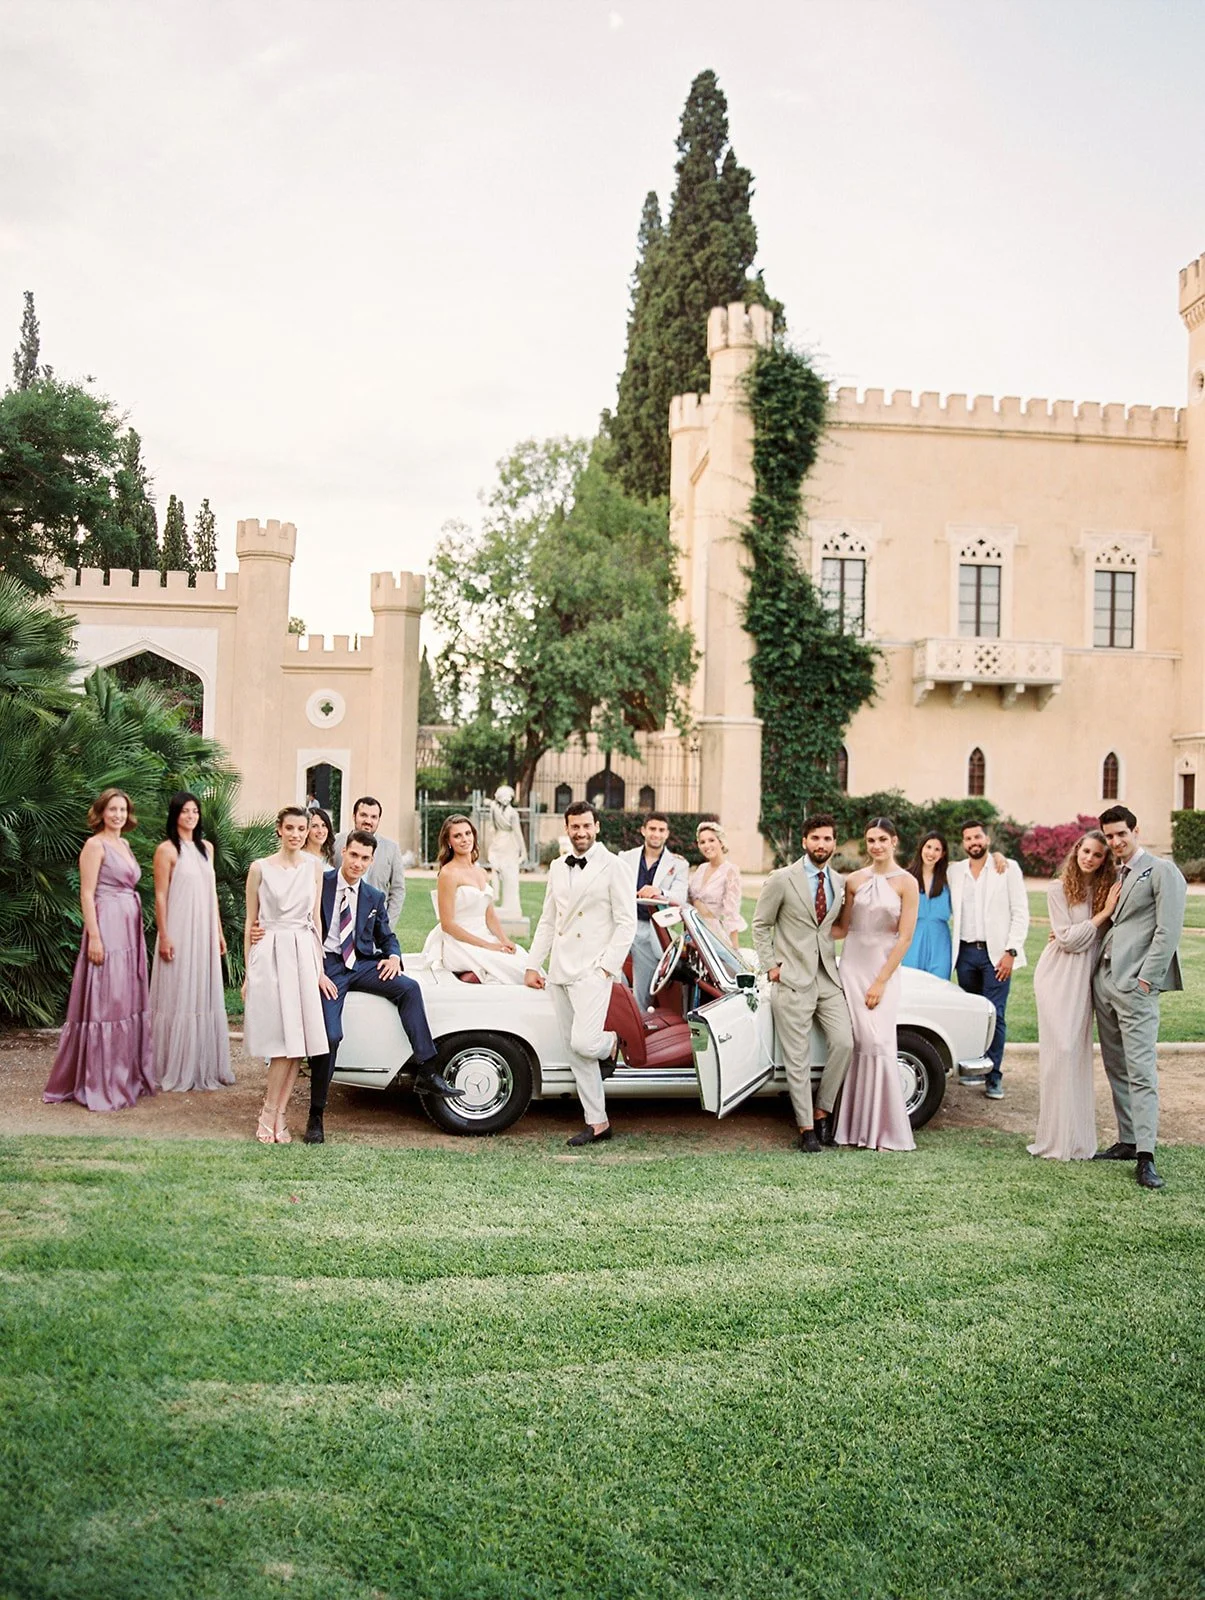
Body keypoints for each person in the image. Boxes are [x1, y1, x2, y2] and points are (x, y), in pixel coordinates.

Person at [304, 830, 462, 1144]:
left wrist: (392, 955)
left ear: (372, 860)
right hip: (328, 965)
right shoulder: (321, 884)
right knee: (331, 1035)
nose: (358, 863)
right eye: (353, 855)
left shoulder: (374, 896)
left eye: (365, 858)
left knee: (409, 988)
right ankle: (316, 1114)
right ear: (343, 853)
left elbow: (386, 935)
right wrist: (314, 968)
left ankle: (427, 1071)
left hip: (361, 963)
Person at [525, 800, 636, 1147]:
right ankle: (597, 1122)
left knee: (585, 1042)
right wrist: (533, 963)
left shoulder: (613, 866)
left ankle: (612, 1043)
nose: (581, 832)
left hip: (592, 970)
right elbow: (547, 920)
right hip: (560, 968)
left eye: (587, 826)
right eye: (575, 826)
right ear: (567, 828)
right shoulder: (558, 867)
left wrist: (606, 968)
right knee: (576, 1053)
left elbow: (626, 923)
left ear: (597, 826)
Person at [1091, 803, 1187, 1190]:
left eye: (1121, 835)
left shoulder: (1162, 870)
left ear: (1135, 831)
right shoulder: (1119, 874)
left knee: (1142, 1071)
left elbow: (1168, 931)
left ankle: (1146, 1155)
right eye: (1110, 836)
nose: (1115, 842)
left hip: (1136, 987)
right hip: (1106, 983)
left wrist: (1147, 980)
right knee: (1116, 1066)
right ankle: (1128, 1140)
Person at [43, 788, 157, 1112]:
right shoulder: (94, 845)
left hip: (128, 930)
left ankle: (124, 1075)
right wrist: (94, 936)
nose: (118, 815)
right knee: (107, 1001)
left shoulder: (124, 843)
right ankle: (100, 1080)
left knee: (125, 1001)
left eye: (122, 809)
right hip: (106, 924)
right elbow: (86, 893)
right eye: (112, 809)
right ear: (101, 813)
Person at [751, 814, 852, 1152]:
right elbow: (761, 925)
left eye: (827, 839)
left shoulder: (839, 881)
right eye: (815, 839)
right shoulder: (782, 879)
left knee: (845, 1042)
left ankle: (823, 1109)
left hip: (828, 977)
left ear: (834, 844)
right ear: (804, 842)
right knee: (798, 1058)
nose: (821, 844)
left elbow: (832, 928)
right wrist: (771, 967)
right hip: (791, 978)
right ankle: (807, 1128)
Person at [1028, 830, 1120, 1162]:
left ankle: (1078, 1141)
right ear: (1076, 850)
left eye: (1097, 855)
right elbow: (1067, 940)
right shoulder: (1058, 888)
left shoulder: (1108, 889)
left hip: (1083, 980)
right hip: (1056, 975)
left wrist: (1096, 919)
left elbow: (1086, 937)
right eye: (1085, 851)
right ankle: (1053, 1140)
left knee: (1077, 1055)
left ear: (1104, 860)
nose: (1089, 858)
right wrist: (1102, 915)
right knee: (1060, 1052)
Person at [832, 817, 919, 1152]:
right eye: (871, 840)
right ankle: (852, 1128)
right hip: (852, 966)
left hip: (882, 969)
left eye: (883, 839)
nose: (877, 846)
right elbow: (841, 928)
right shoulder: (853, 880)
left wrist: (881, 981)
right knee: (856, 1041)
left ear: (894, 841)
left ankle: (882, 1128)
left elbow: (906, 936)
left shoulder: (907, 883)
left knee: (880, 1041)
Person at [242, 806, 328, 1143]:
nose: (295, 834)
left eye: (301, 828)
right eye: (289, 828)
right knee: (280, 1040)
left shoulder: (314, 867)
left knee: (298, 1043)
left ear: (308, 831)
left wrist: (319, 967)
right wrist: (249, 973)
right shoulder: (260, 868)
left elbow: (317, 919)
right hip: (271, 952)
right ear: (279, 830)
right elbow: (252, 922)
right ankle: (267, 1111)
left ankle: (279, 1113)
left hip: (304, 952)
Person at [149, 791, 233, 1093]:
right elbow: (160, 895)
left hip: (204, 930)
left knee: (203, 991)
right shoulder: (166, 850)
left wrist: (219, 932)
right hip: (178, 928)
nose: (191, 816)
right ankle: (171, 1064)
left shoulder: (206, 848)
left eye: (195, 811)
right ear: (175, 815)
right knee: (177, 990)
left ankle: (203, 1064)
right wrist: (165, 934)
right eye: (185, 811)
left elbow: (211, 894)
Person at [948, 819, 1029, 1099]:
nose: (974, 842)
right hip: (965, 954)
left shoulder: (1006, 868)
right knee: (972, 1014)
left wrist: (1011, 951)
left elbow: (1020, 912)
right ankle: (974, 1070)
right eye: (968, 838)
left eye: (978, 837)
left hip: (996, 955)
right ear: (963, 843)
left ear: (988, 839)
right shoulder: (955, 872)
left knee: (996, 1014)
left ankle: (994, 1076)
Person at [421, 813, 531, 983]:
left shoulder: (481, 872)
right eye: (457, 836)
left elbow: (490, 915)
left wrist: (504, 940)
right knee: (506, 970)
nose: (465, 839)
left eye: (468, 833)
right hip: (459, 941)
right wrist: (487, 946)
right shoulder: (448, 874)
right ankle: (471, 974)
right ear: (449, 842)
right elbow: (448, 925)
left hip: (484, 935)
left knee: (523, 962)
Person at [902, 833, 1008, 977]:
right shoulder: (905, 877)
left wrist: (997, 856)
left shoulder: (950, 874)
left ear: (943, 853)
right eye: (928, 847)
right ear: (921, 848)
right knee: (910, 986)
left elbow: (977, 862)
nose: (931, 853)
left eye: (937, 849)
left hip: (940, 943)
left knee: (939, 988)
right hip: (912, 942)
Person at [619, 812, 689, 1009]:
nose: (656, 834)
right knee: (609, 973)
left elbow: (680, 898)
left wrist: (659, 891)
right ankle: (618, 1010)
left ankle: (640, 1024)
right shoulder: (625, 858)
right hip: (624, 924)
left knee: (644, 990)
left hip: (652, 931)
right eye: (652, 829)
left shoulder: (679, 864)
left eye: (661, 830)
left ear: (667, 834)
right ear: (643, 831)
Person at [335, 796, 407, 928]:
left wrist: (387, 925)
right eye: (363, 815)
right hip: (341, 920)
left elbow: (398, 890)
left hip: (374, 924)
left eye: (374, 817)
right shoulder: (336, 842)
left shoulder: (392, 849)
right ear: (354, 816)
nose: (368, 821)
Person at [688, 822, 745, 949]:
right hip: (693, 931)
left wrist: (735, 948)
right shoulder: (701, 869)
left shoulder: (731, 871)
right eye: (702, 842)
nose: (706, 845)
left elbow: (732, 912)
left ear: (721, 842)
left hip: (715, 935)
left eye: (711, 840)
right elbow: (689, 897)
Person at [487, 784, 527, 922]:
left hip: (500, 842)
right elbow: (518, 833)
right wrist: (524, 851)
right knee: (508, 875)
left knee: (504, 873)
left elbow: (492, 827)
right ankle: (507, 904)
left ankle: (507, 904)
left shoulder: (495, 809)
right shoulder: (511, 813)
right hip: (507, 843)